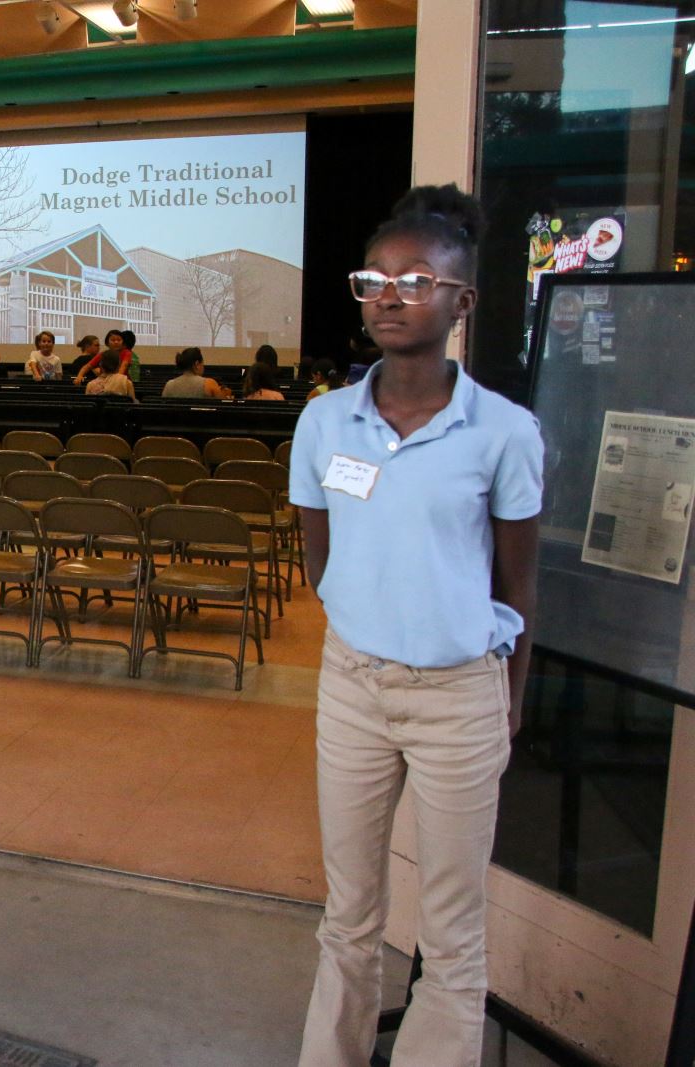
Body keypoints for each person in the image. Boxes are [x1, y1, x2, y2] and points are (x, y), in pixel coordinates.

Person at [290, 185, 542, 1067]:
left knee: (451, 927)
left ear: (462, 302)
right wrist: (368, 616)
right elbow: (316, 556)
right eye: (375, 279)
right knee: (349, 913)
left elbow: (518, 580)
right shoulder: (325, 421)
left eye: (417, 280)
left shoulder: (505, 433)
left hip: (459, 700)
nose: (390, 296)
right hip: (353, 687)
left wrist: (507, 697)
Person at [161, 347, 227, 399]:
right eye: (202, 364)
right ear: (197, 364)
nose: (203, 367)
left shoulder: (169, 385)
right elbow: (223, 407)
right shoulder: (209, 383)